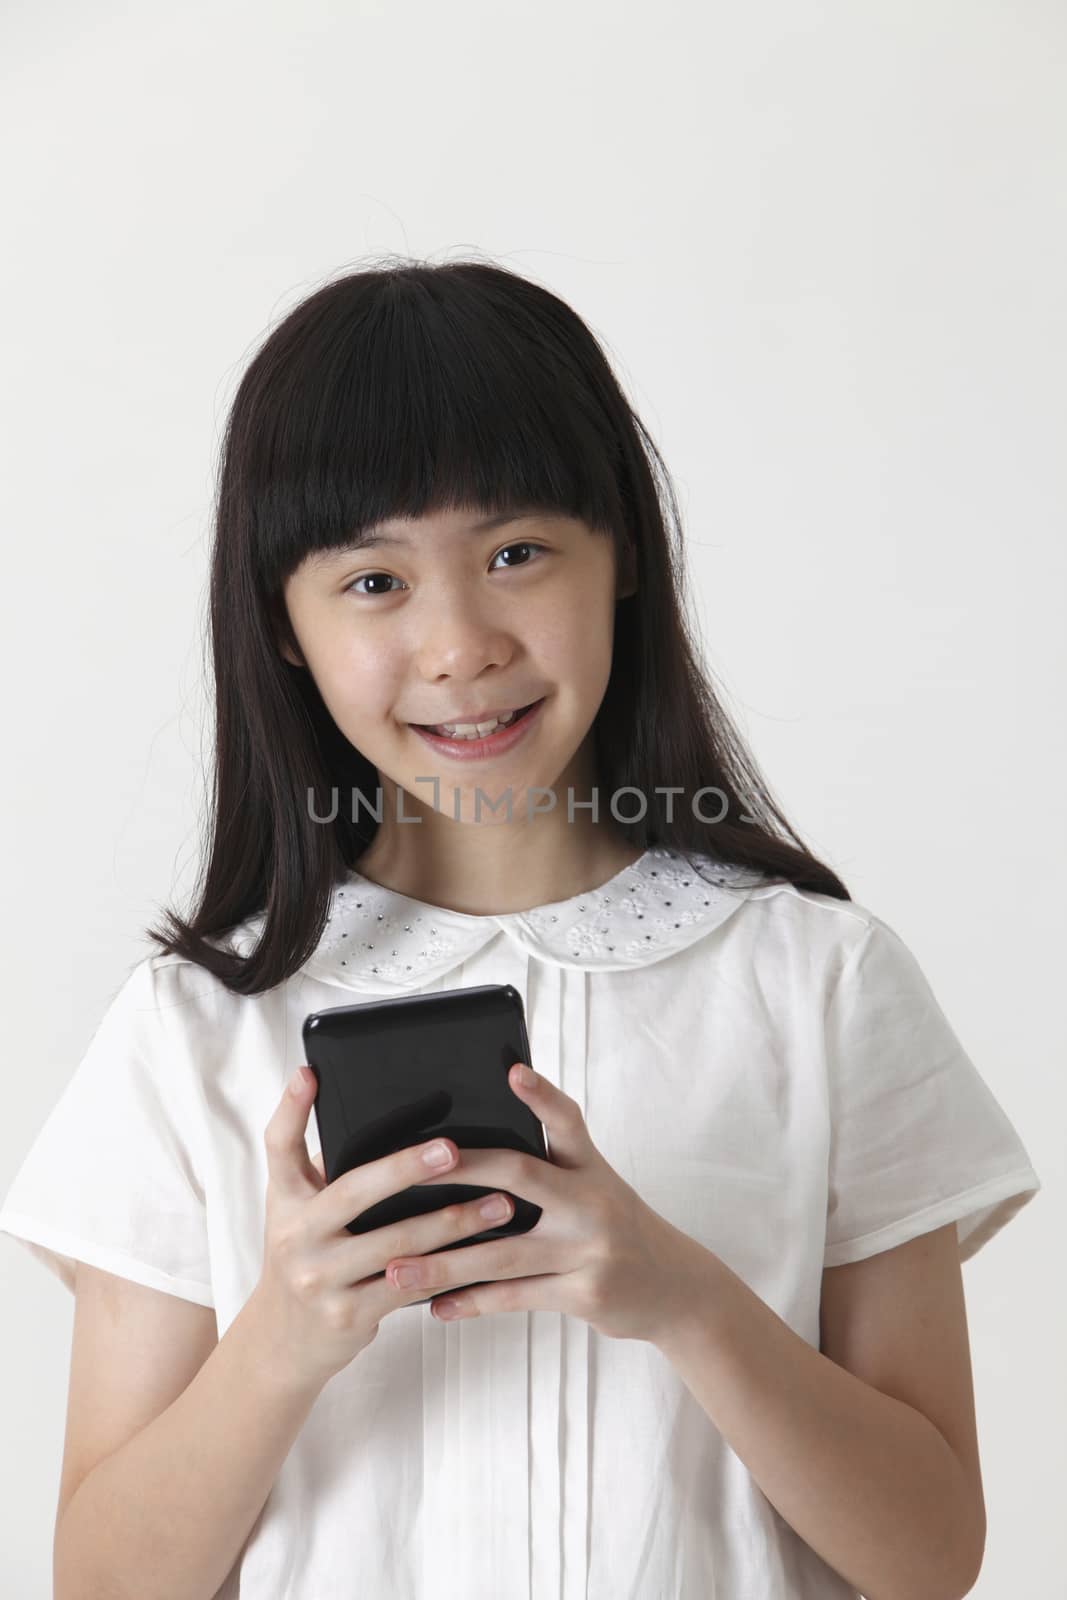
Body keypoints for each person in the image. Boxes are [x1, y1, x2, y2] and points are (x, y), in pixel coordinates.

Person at [0, 259, 1040, 1600]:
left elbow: (930, 1555)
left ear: (621, 561)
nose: (459, 643)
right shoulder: (192, 1030)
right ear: (284, 625)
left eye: (514, 553)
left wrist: (683, 1298)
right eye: (373, 581)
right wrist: (287, 1339)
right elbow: (99, 1581)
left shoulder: (819, 985)